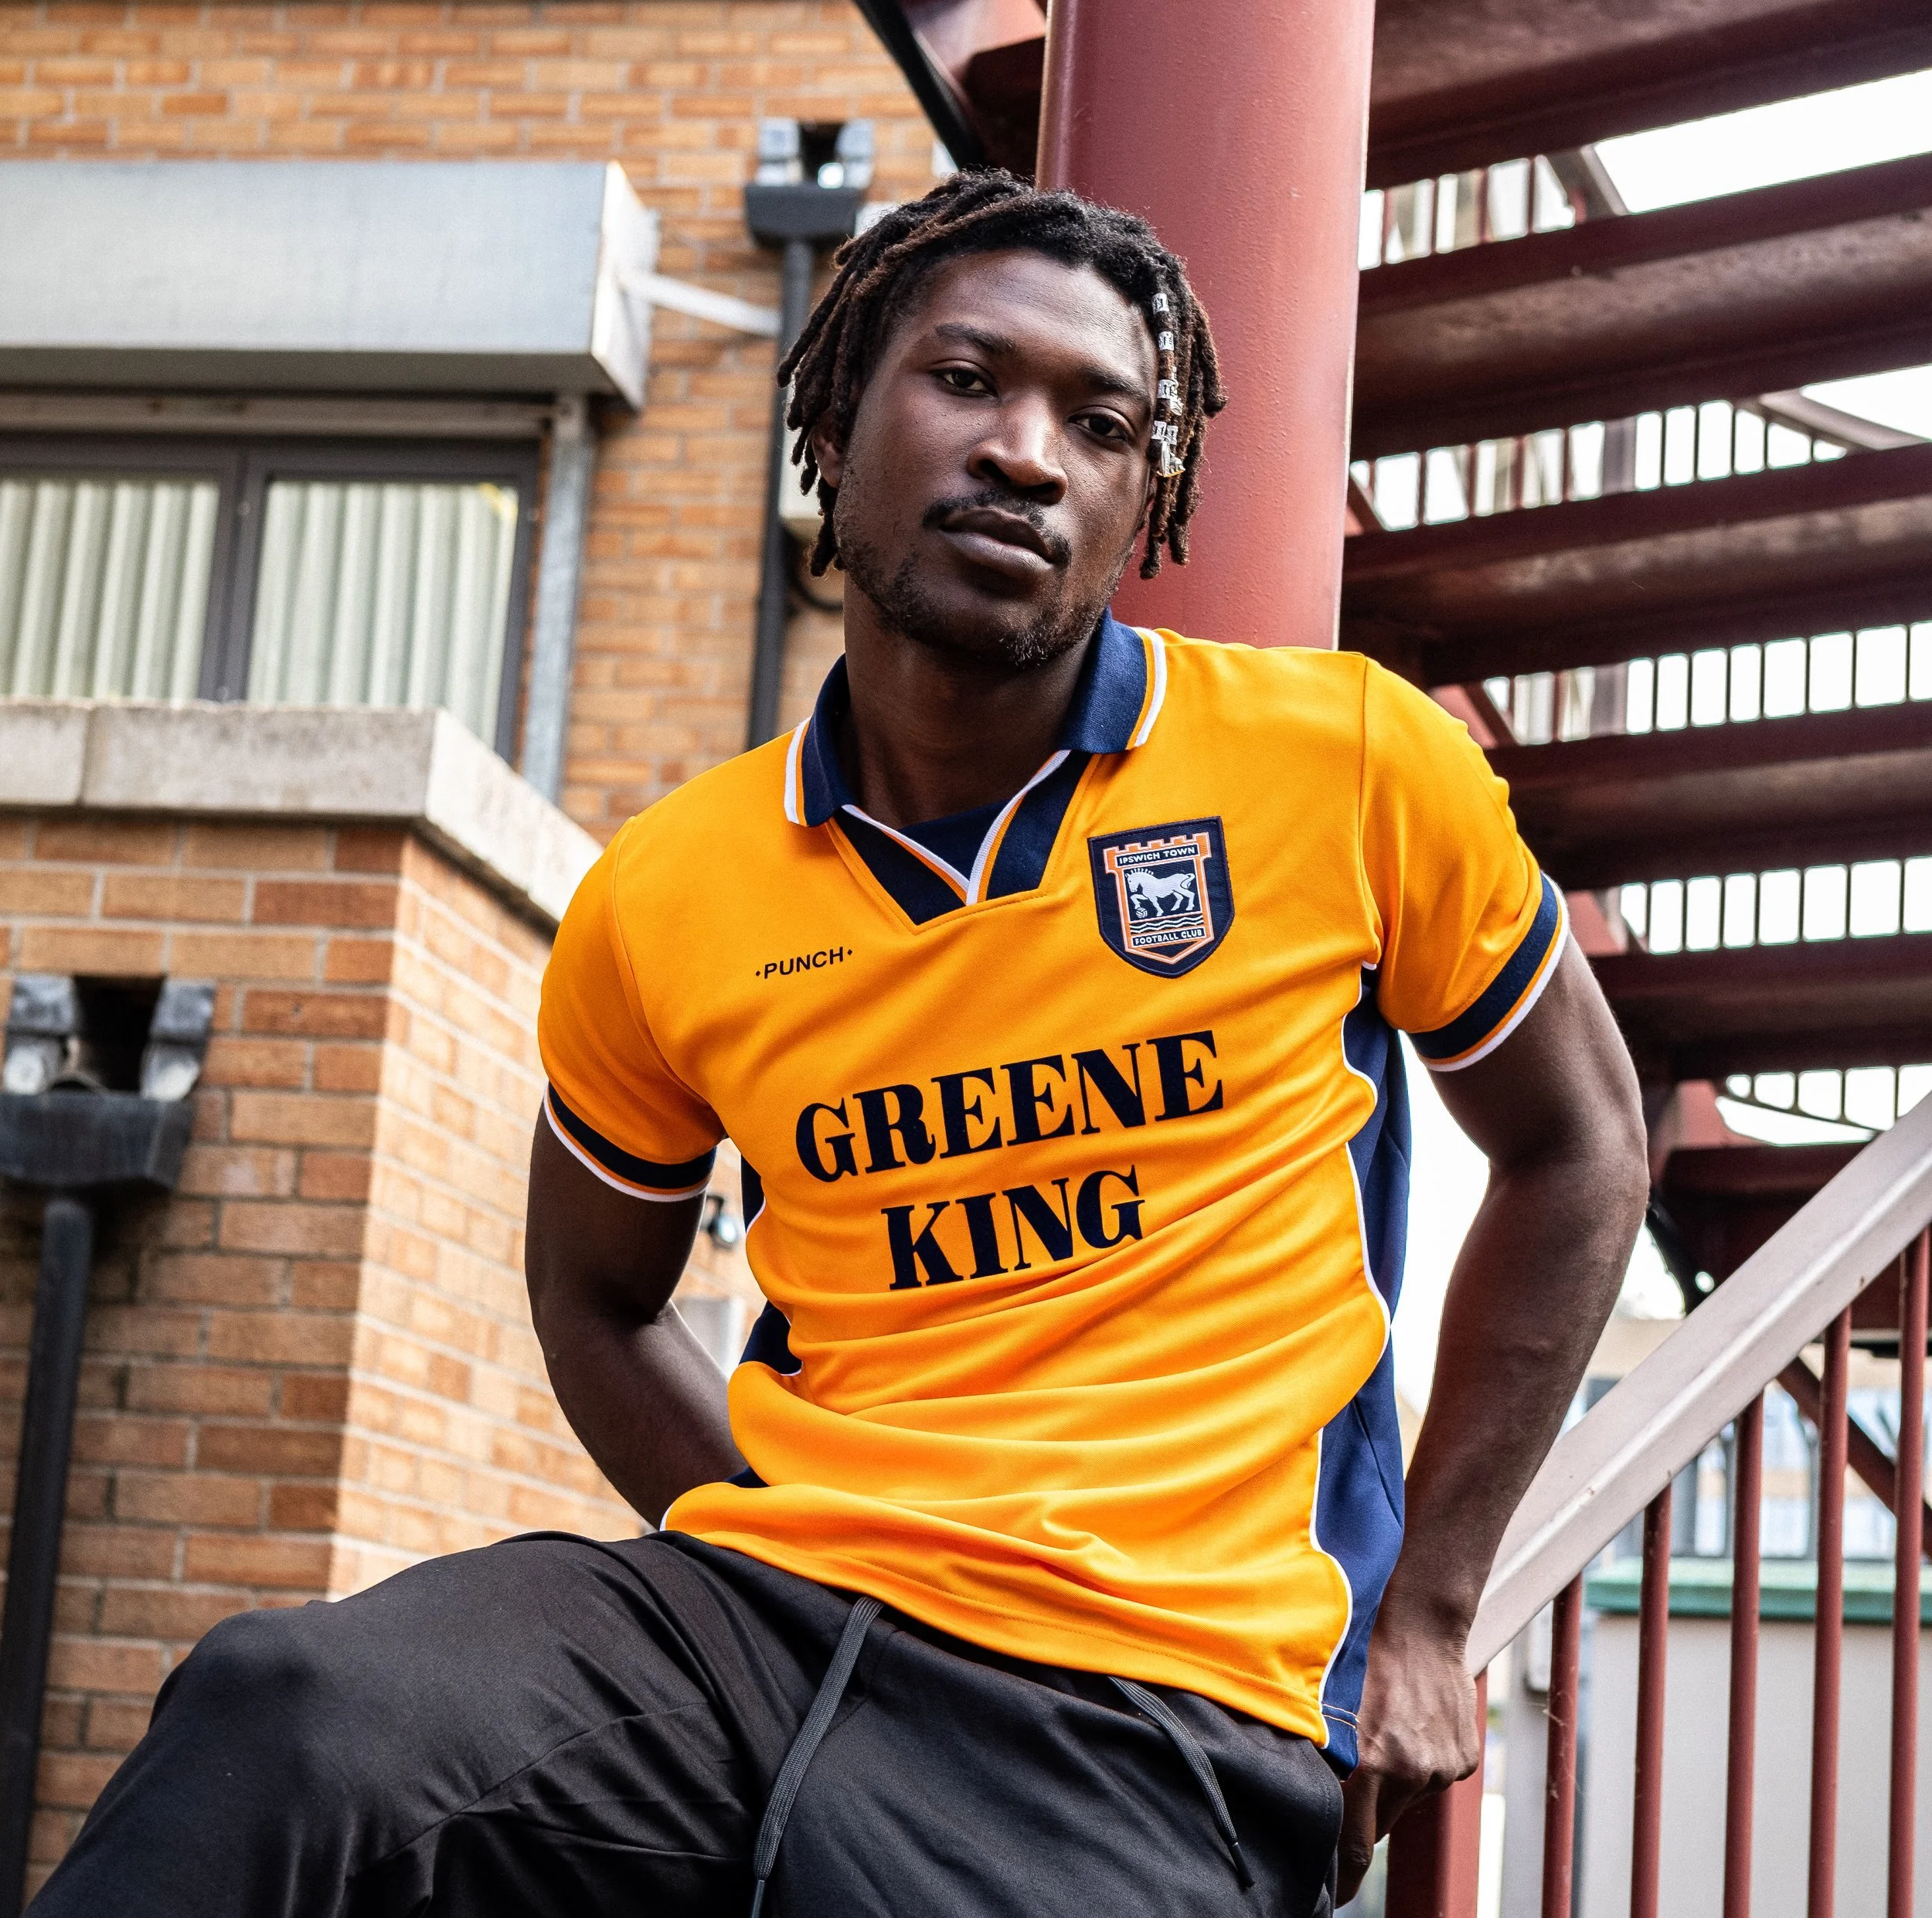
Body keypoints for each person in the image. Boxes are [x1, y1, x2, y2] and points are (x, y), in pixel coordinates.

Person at [34, 168, 1648, 1918]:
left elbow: (1581, 1147)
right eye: (967, 380)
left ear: (1142, 495)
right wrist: (764, 1515)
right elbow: (595, 1292)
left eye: (1096, 421)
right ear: (837, 408)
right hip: (757, 1631)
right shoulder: (672, 886)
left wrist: (1423, 1611)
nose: (1025, 451)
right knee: (294, 1716)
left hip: (1162, 1700)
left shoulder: (1343, 766)